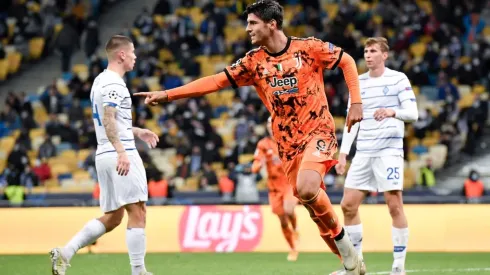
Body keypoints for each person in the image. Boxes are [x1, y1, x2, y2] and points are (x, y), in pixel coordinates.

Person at [135, 1, 365, 273]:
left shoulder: (309, 48)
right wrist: (169, 94)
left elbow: (347, 61)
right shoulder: (253, 62)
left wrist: (357, 102)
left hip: (318, 131)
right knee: (314, 209)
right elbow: (215, 82)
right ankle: (350, 263)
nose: (247, 29)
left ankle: (344, 245)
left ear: (272, 24)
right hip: (286, 143)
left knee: (305, 189)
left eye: (253, 23)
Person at [50, 35, 158, 275]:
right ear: (121, 55)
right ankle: (139, 271)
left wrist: (137, 131)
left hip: (104, 153)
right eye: (132, 53)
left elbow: (109, 121)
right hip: (121, 153)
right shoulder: (114, 83)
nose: (135, 57)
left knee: (113, 217)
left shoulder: (100, 81)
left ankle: (66, 252)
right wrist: (122, 151)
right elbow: (108, 118)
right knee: (138, 211)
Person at [331, 37, 418, 275]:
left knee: (394, 206)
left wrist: (392, 111)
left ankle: (398, 267)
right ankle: (356, 265)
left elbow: (413, 113)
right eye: (365, 51)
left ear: (384, 55)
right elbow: (353, 119)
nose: (367, 55)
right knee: (348, 205)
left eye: (372, 51)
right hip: (364, 152)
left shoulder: (398, 79)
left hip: (389, 152)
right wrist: (343, 154)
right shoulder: (357, 83)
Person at [251, 116, 299, 261]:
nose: (270, 126)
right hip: (274, 187)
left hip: (288, 182)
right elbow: (254, 167)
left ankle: (296, 229)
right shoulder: (263, 144)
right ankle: (293, 248)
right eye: (268, 123)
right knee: (283, 221)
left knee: (289, 209)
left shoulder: (289, 139)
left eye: (272, 123)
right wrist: (259, 165)